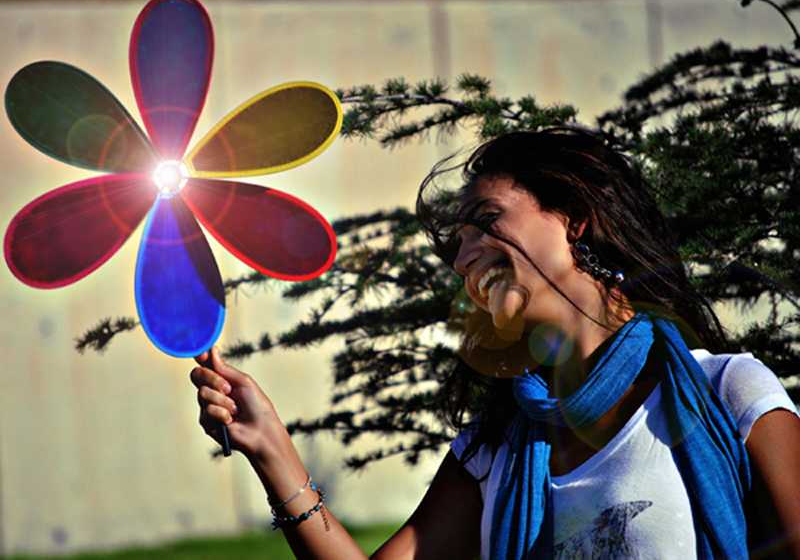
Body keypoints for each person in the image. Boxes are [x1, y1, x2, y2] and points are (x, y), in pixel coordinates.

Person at [191, 128, 800, 559]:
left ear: (573, 220)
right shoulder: (496, 444)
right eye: (457, 242)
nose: (462, 259)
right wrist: (272, 451)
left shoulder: (729, 393)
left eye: (487, 220)